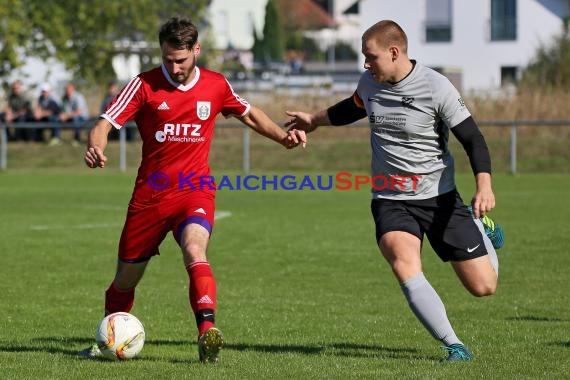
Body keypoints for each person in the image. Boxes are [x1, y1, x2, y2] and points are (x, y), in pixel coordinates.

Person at [79, 17, 306, 363]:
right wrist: (97, 146)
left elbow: (249, 114)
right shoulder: (143, 85)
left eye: (181, 60)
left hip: (195, 189)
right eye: (168, 59)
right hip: (150, 197)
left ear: (196, 50)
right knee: (124, 281)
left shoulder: (216, 85)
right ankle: (108, 339)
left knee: (195, 250)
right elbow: (104, 123)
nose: (175, 67)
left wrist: (282, 137)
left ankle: (207, 333)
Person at [285, 20, 504, 362]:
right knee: (401, 258)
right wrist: (314, 119)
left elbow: (472, 138)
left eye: (370, 57)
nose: (365, 64)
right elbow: (351, 108)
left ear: (394, 52)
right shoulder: (370, 82)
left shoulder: (435, 87)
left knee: (483, 287)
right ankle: (454, 345)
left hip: (439, 197)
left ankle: (481, 228)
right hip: (390, 197)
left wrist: (484, 186)